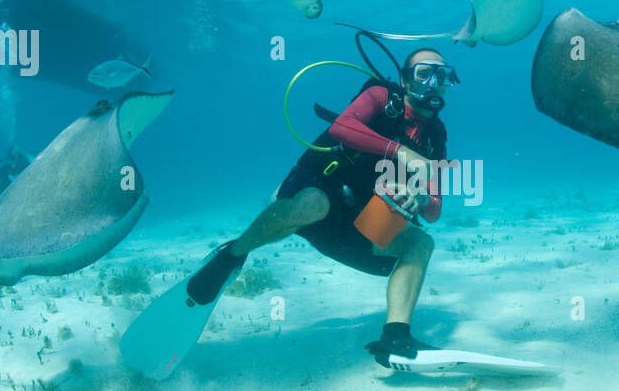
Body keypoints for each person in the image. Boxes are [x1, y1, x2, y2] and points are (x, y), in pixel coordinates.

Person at [196, 48, 459, 365]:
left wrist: (418, 199)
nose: (434, 82)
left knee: (421, 241)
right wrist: (398, 150)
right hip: (321, 191)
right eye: (424, 73)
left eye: (442, 76)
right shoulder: (381, 96)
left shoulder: (435, 135)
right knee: (313, 205)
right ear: (405, 79)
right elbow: (342, 126)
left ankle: (395, 337)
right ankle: (232, 255)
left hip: (361, 225)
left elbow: (434, 210)